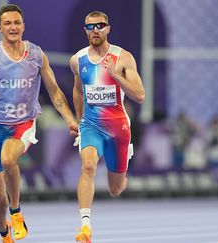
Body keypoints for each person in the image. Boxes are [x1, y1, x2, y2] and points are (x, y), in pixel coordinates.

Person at [0, 4, 78, 243]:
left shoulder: (37, 55)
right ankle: (3, 232)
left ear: (23, 26)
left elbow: (55, 92)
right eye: (7, 23)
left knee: (9, 159)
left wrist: (71, 120)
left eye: (17, 22)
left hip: (24, 123)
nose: (13, 27)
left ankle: (16, 213)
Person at [70, 10, 145, 243]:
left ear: (108, 29)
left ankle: (124, 163)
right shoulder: (77, 60)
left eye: (100, 26)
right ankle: (85, 227)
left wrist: (117, 76)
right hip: (91, 125)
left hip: (118, 129)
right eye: (90, 26)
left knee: (116, 189)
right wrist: (79, 119)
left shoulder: (123, 58)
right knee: (88, 167)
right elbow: (77, 90)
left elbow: (140, 95)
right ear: (85, 30)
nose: (95, 30)